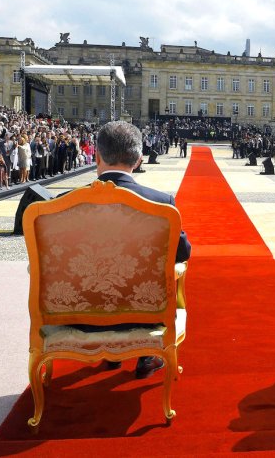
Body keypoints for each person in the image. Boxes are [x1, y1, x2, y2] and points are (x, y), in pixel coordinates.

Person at [93, 121, 192, 379]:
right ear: (138, 159)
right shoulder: (160, 203)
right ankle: (147, 354)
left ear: (97, 155)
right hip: (144, 311)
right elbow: (183, 253)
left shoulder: (62, 204)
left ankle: (111, 353)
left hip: (83, 312)